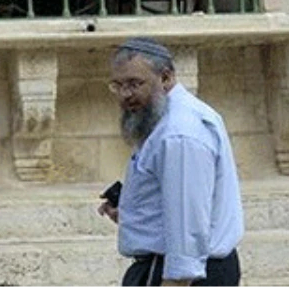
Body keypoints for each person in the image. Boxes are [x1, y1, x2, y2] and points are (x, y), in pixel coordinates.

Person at [99, 37, 243, 287]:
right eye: (118, 85)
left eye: (135, 84)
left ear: (165, 78)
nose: (125, 95)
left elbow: (188, 229)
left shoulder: (179, 134)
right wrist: (133, 216)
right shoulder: (164, 122)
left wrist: (175, 282)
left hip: (180, 275)